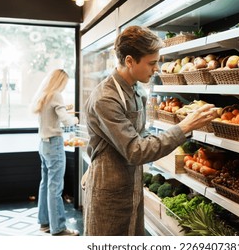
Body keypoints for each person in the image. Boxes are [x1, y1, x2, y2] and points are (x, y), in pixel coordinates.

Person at [83, 25, 218, 235]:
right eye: (152, 63)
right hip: (110, 189)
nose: (156, 69)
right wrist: (183, 127)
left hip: (133, 185)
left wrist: (162, 138)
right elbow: (136, 150)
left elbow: (141, 135)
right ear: (129, 61)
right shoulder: (106, 98)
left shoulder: (137, 90)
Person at [31, 69, 80, 236]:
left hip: (43, 145)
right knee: (55, 187)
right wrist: (75, 119)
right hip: (54, 145)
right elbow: (66, 121)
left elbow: (52, 114)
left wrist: (64, 110)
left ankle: (44, 222)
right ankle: (58, 228)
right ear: (60, 81)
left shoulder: (44, 94)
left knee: (45, 184)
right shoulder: (56, 95)